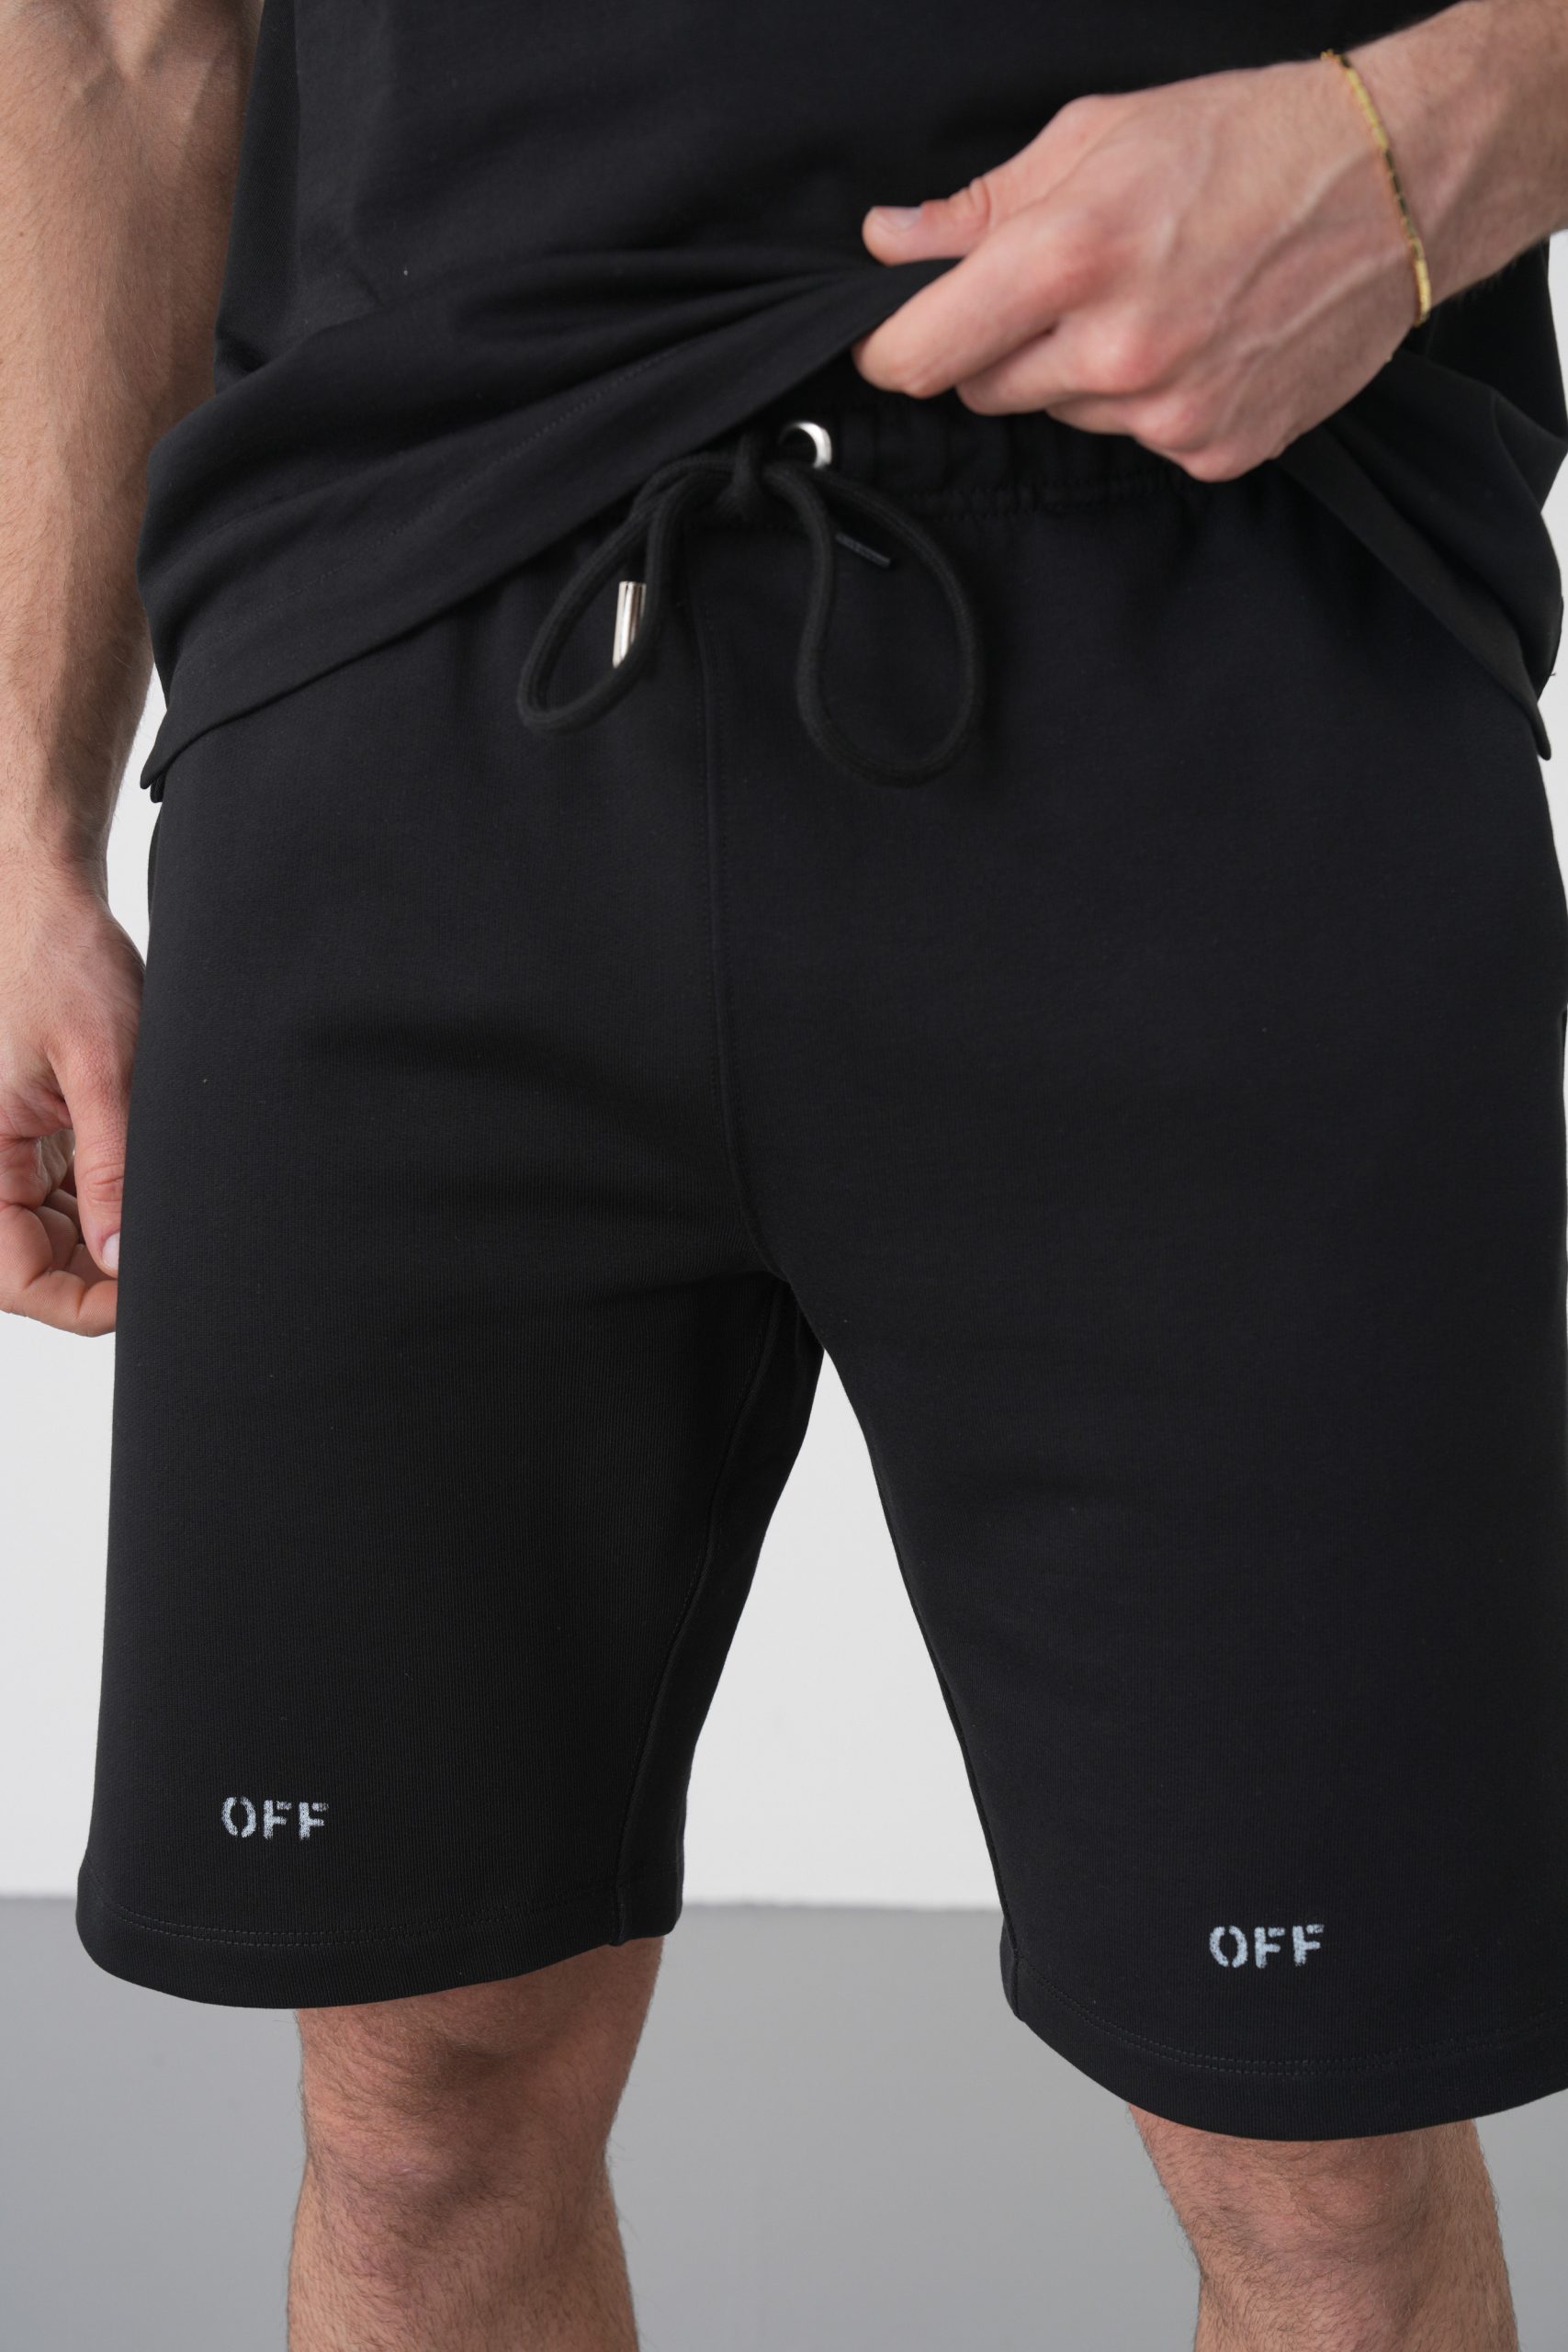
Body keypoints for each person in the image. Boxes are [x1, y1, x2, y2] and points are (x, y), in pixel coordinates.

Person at [5, 0, 1568, 2343]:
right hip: (410, 660)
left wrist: (1416, 143)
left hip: (1232, 620)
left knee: (1317, 2155)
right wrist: (20, 813)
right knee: (417, 2104)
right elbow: (128, 39)